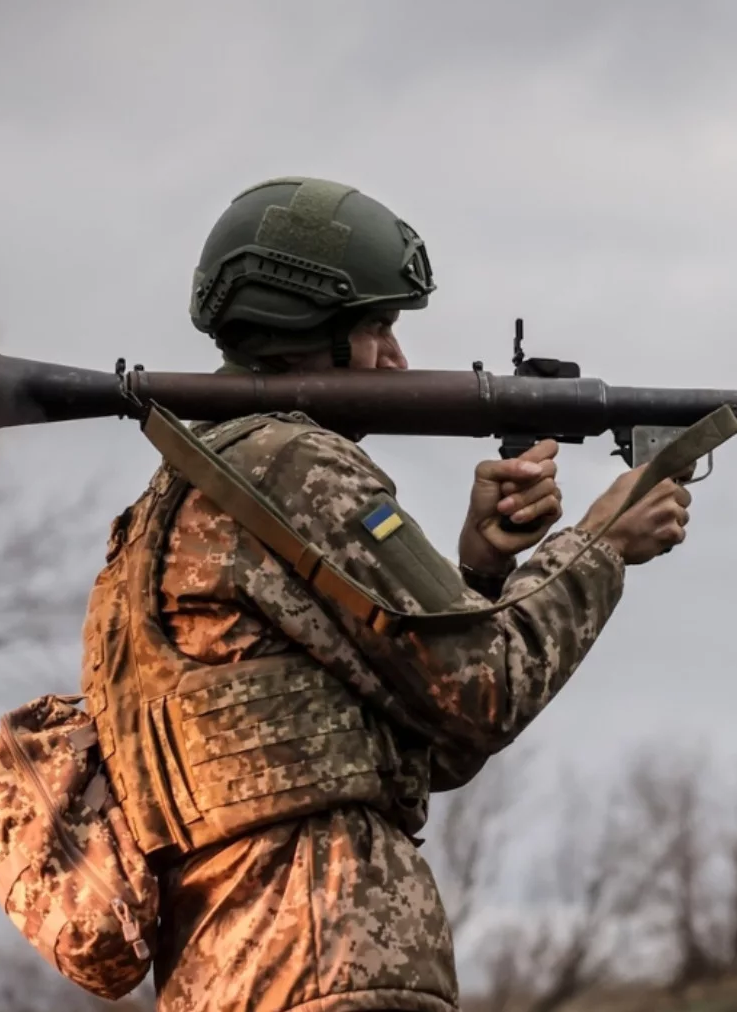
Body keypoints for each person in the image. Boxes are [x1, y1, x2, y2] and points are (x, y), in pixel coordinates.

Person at [79, 177, 697, 1012]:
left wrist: (477, 573)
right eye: (377, 328)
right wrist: (601, 544)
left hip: (228, 974)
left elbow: (431, 742)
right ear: (310, 328)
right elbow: (485, 689)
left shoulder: (176, 502)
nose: (398, 360)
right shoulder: (294, 466)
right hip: (329, 958)